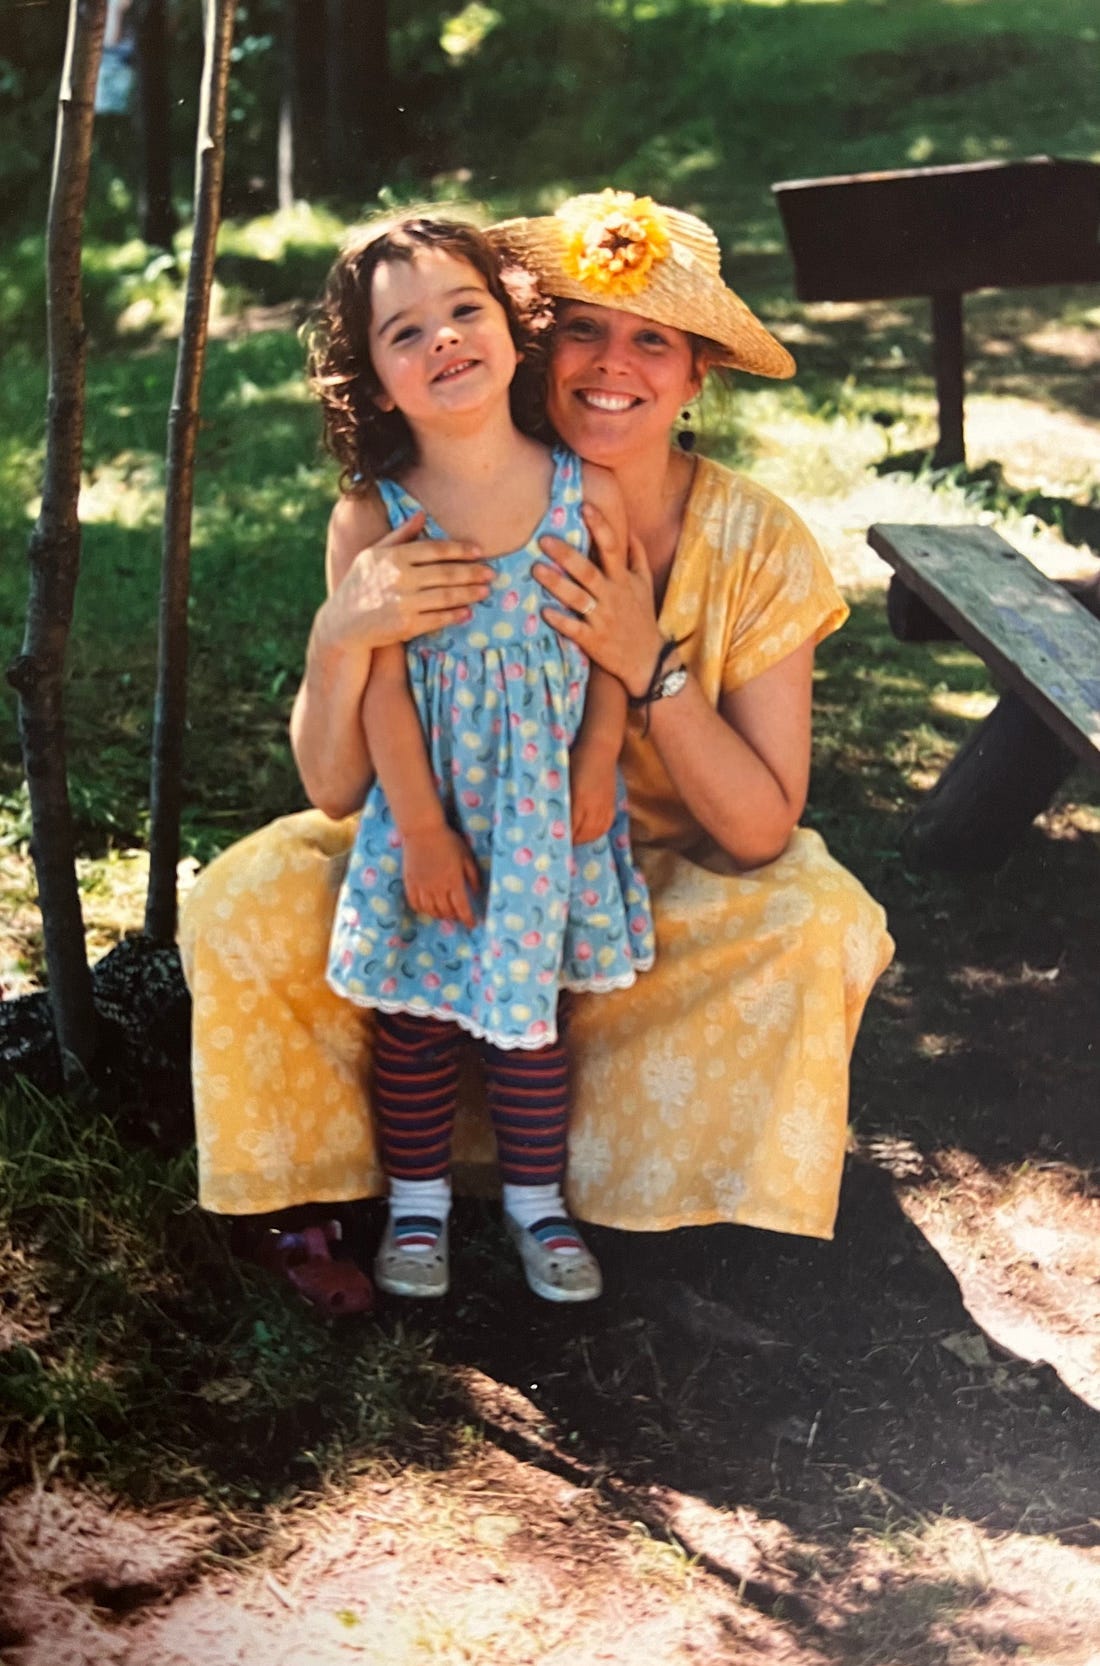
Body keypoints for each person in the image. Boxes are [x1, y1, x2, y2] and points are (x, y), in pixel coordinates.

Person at [178, 189, 894, 1316]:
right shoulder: (395, 512)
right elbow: (334, 786)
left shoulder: (745, 537)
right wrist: (338, 634)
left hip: (632, 878)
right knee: (241, 900)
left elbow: (761, 830)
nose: (612, 364)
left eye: (653, 340)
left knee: (820, 921)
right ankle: (336, 1188)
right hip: (449, 846)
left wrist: (642, 665)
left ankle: (651, 1187)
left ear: (696, 373)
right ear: (539, 342)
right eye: (585, 329)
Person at [311, 213, 653, 1304]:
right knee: (412, 1020)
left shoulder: (585, 492)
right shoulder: (373, 517)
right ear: (372, 383)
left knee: (533, 1013)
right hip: (433, 810)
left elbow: (618, 645)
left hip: (547, 805)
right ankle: (417, 1206)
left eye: (465, 310)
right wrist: (419, 828)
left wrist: (599, 756)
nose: (444, 339)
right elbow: (377, 689)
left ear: (514, 330)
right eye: (404, 332)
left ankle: (535, 1205)